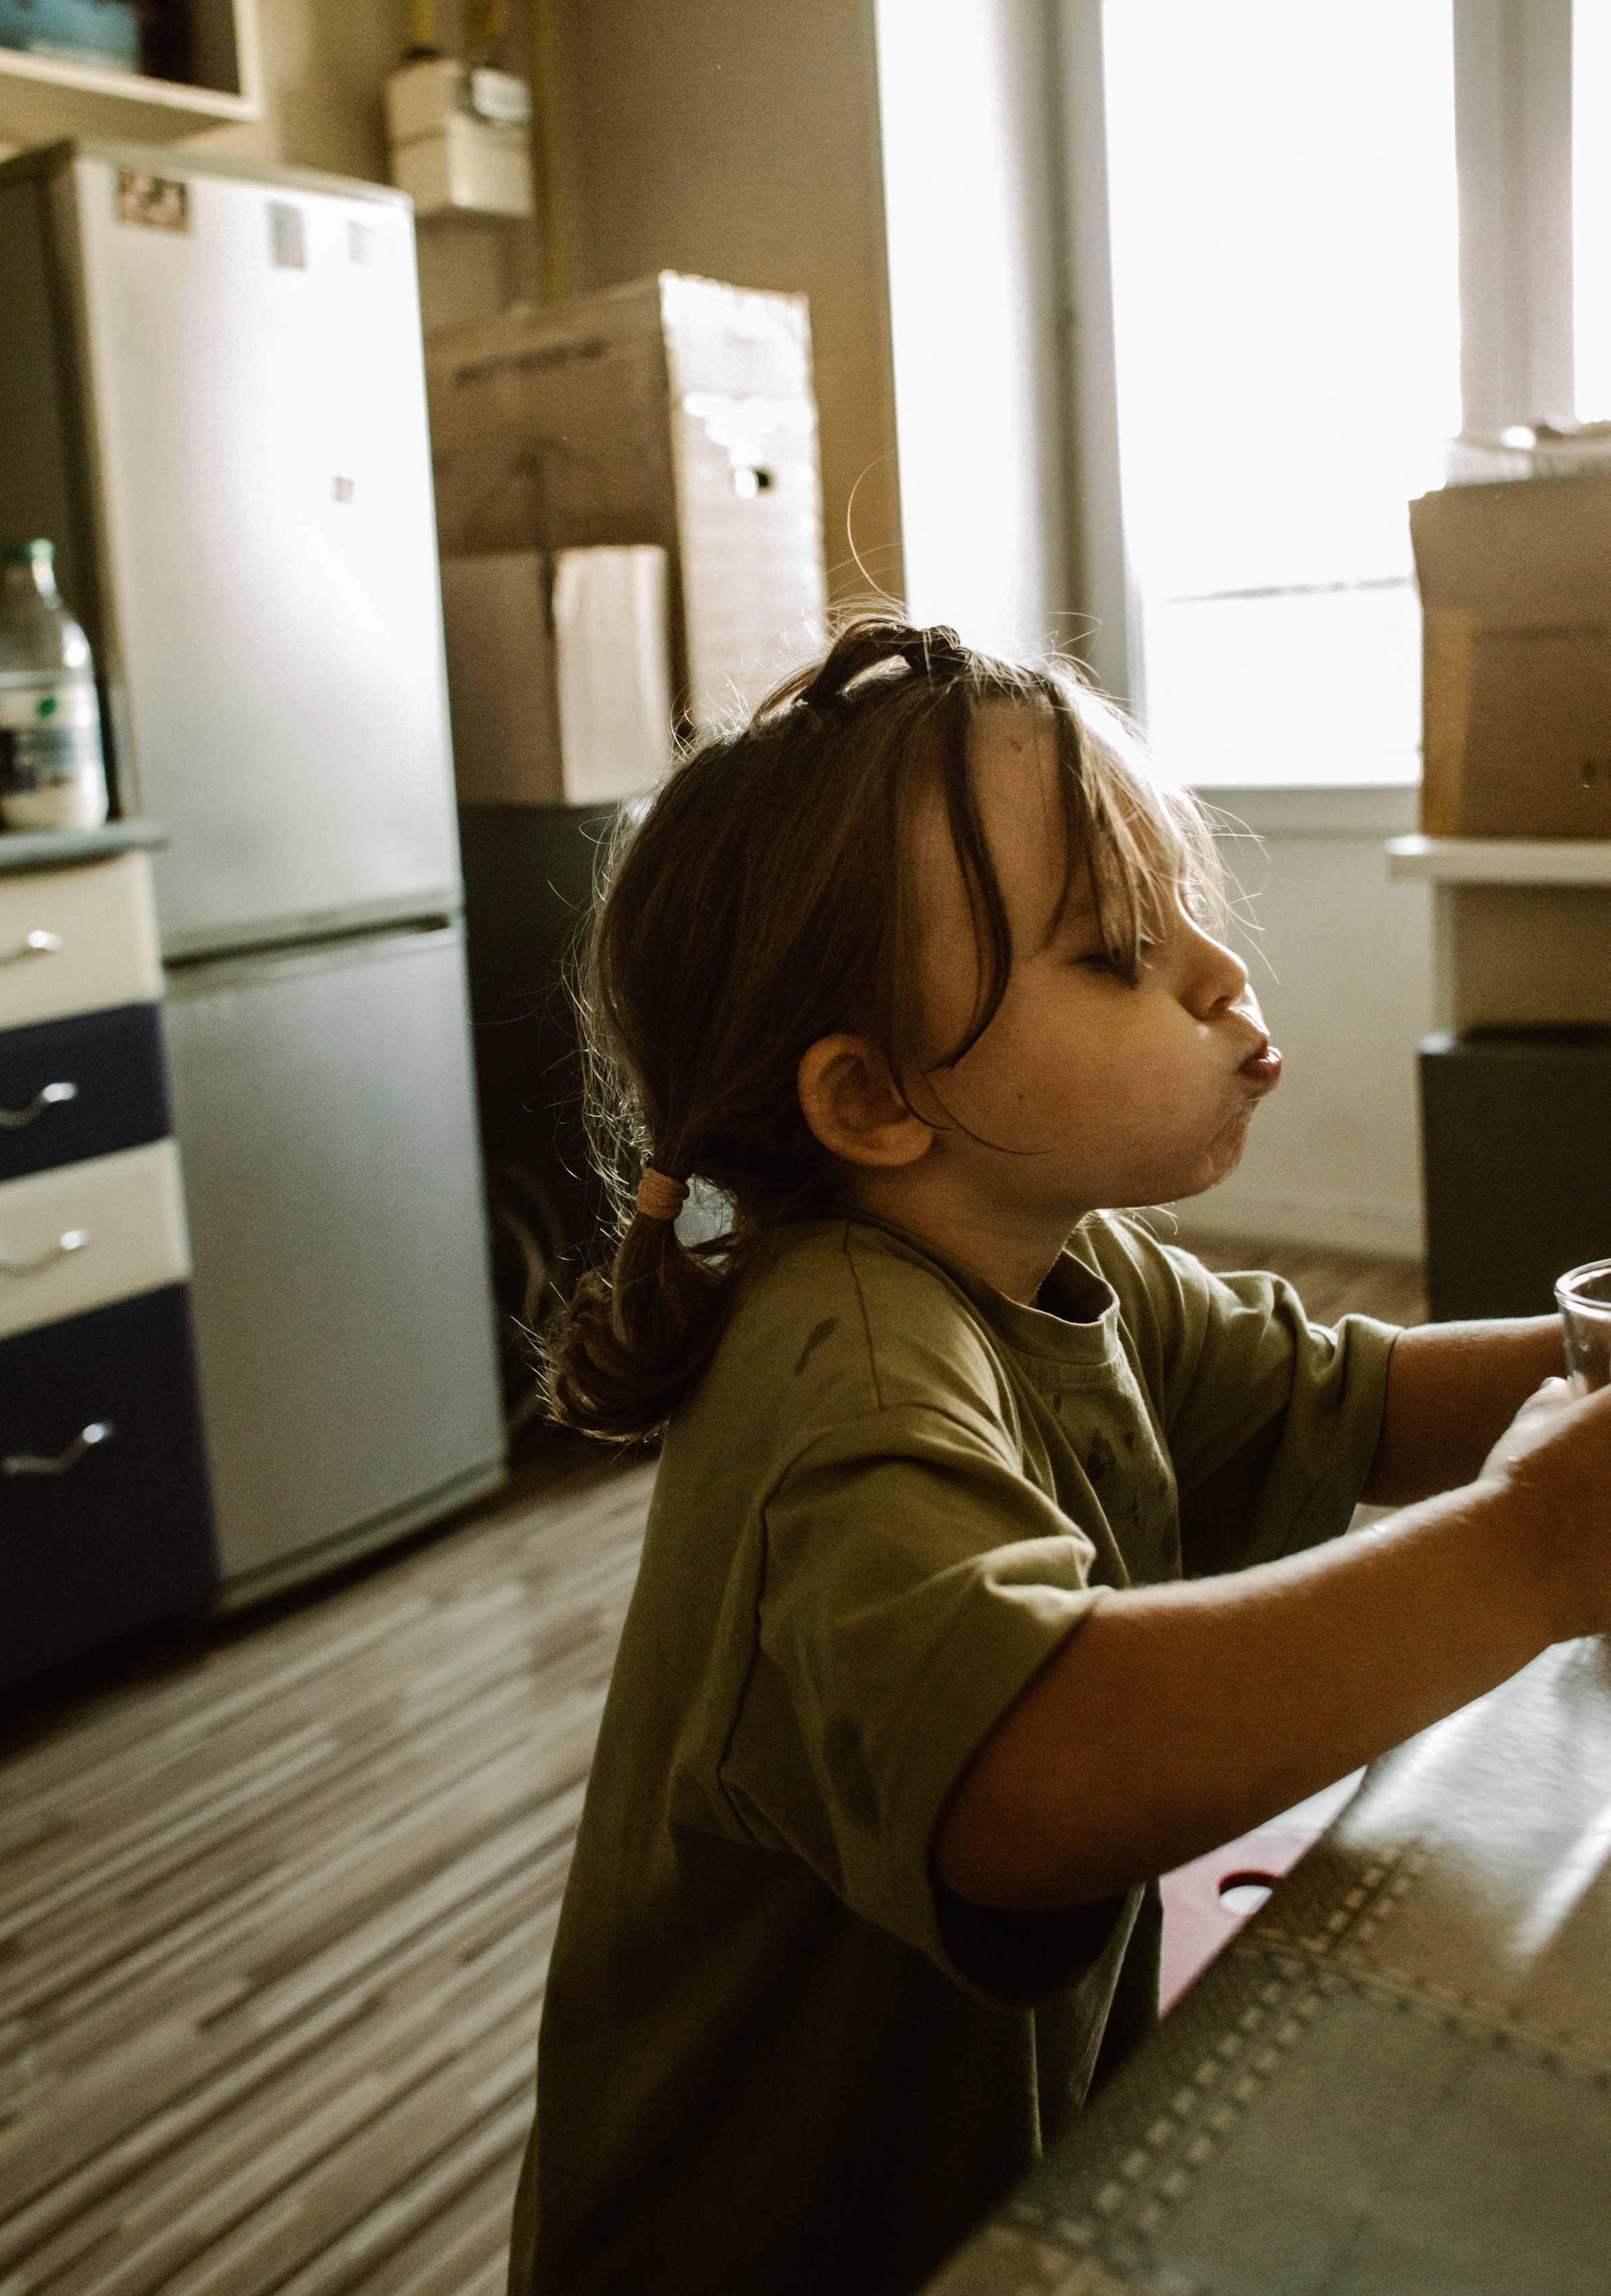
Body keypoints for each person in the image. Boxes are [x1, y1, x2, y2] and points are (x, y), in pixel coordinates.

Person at [508, 616, 1608, 2296]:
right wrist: (1532, 1550)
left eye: (1185, 920)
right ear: (874, 1099)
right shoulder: (849, 1384)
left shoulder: (1047, 1257)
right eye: (1112, 951)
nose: (1214, 973)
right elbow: (1025, 1773)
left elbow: (1359, 1398)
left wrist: (1584, 1365)